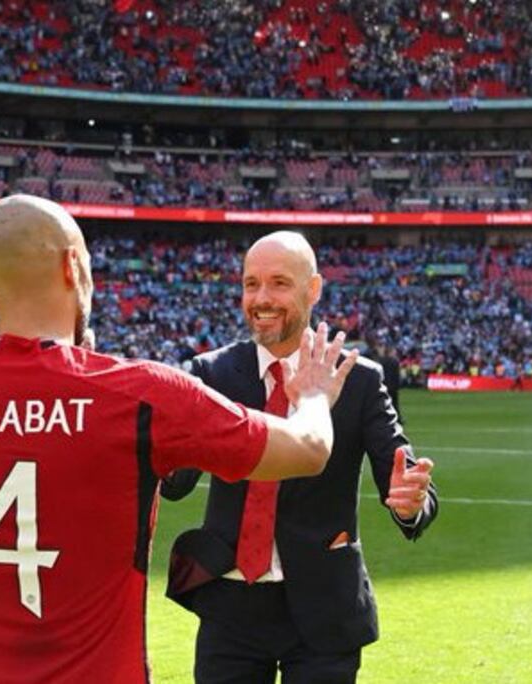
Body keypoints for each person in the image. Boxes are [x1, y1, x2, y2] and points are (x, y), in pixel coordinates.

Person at [0, 195, 359, 683]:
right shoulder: (142, 396)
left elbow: (22, 433)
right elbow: (308, 449)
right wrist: (311, 395)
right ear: (73, 266)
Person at [160, 231, 438, 684]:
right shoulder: (210, 373)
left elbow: (403, 480)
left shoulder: (358, 378)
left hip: (324, 606)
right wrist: (163, 449)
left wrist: (412, 502)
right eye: (251, 284)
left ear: (313, 290)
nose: (261, 298)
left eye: (278, 284)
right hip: (230, 608)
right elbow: (177, 483)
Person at [371, 340, 403, 423]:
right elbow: (397, 375)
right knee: (395, 403)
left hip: (384, 384)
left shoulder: (381, 361)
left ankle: (384, 418)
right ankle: (397, 419)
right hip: (393, 386)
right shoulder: (395, 361)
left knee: (383, 403)